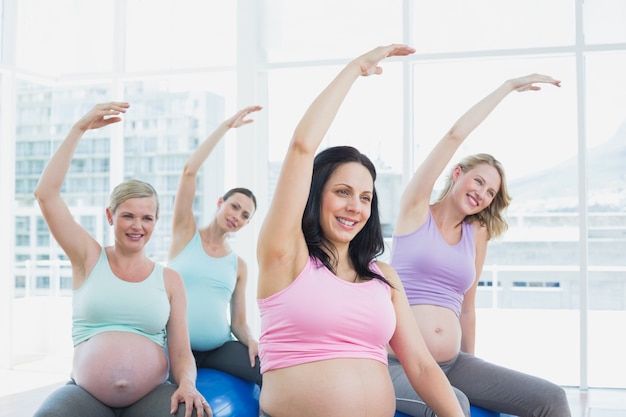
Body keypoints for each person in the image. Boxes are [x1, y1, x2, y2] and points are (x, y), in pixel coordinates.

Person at [256, 44, 465, 417]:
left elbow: (419, 365)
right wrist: (354, 70)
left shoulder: (383, 277)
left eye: (365, 197)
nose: (355, 206)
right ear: (315, 195)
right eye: (342, 192)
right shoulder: (286, 257)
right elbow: (302, 148)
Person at [388, 75, 572, 417]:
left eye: (490, 193)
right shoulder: (414, 211)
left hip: (453, 363)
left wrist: (471, 363)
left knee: (552, 399)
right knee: (452, 404)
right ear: (457, 173)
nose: (482, 194)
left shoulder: (478, 234)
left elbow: (467, 308)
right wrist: (507, 88)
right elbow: (453, 135)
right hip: (399, 362)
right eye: (479, 181)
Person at [33, 102, 212, 417]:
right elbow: (46, 194)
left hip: (153, 395)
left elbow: (182, 352)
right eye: (128, 216)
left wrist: (187, 383)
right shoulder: (88, 258)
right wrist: (79, 128)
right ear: (110, 216)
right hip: (86, 396)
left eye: (147, 218)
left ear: (156, 221)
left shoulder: (169, 280)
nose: (137, 226)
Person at [167, 105, 263, 386]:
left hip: (218, 348)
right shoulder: (185, 233)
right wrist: (225, 127)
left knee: (272, 375)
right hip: (177, 348)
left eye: (245, 215)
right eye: (235, 207)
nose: (238, 216)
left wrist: (252, 341)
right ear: (220, 203)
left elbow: (238, 323)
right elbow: (189, 172)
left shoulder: (239, 265)